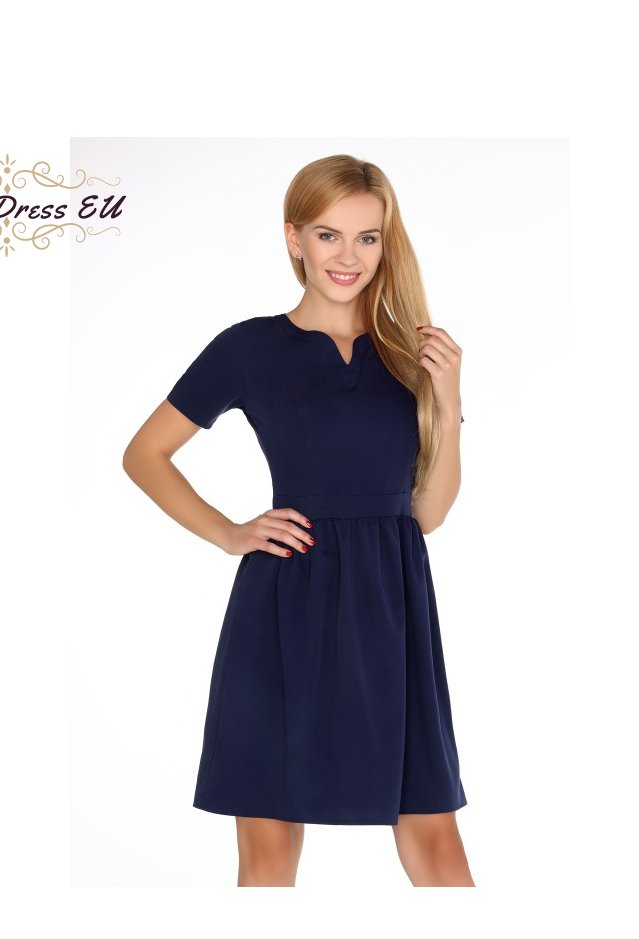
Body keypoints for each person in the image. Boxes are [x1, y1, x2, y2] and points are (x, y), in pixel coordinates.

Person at [123, 154, 473, 886]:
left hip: (393, 611)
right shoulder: (249, 348)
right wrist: (229, 532)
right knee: (269, 846)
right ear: (294, 238)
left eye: (367, 237)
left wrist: (447, 400)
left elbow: (429, 514)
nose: (349, 256)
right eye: (328, 235)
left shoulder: (411, 355)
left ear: (385, 242)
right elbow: (145, 454)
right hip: (284, 606)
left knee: (435, 838)